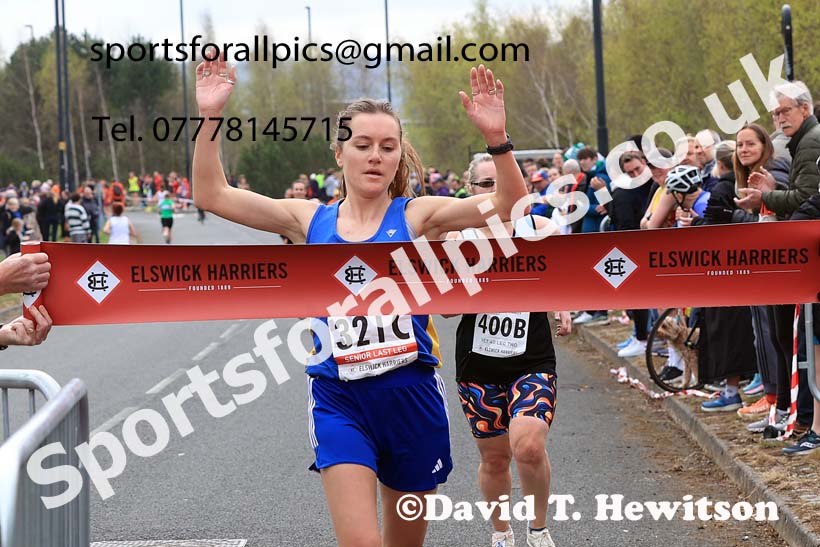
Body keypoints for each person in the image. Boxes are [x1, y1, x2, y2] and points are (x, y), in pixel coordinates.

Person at [192, 53, 527, 547]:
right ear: (339, 154)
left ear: (398, 156)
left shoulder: (418, 216)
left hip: (410, 395)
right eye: (363, 144)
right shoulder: (308, 220)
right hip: (339, 396)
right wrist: (210, 117)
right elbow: (211, 194)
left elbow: (510, 207)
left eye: (388, 146)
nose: (376, 155)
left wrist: (497, 141)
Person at [446, 154, 570, 547]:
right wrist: (452, 265)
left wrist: (563, 303)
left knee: (529, 446)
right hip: (478, 362)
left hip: (531, 356)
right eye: (486, 184)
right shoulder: (459, 236)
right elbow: (447, 310)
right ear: (470, 191)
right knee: (496, 458)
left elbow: (564, 274)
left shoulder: (542, 229)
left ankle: (539, 528)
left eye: (502, 182)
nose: (496, 191)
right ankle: (502, 532)